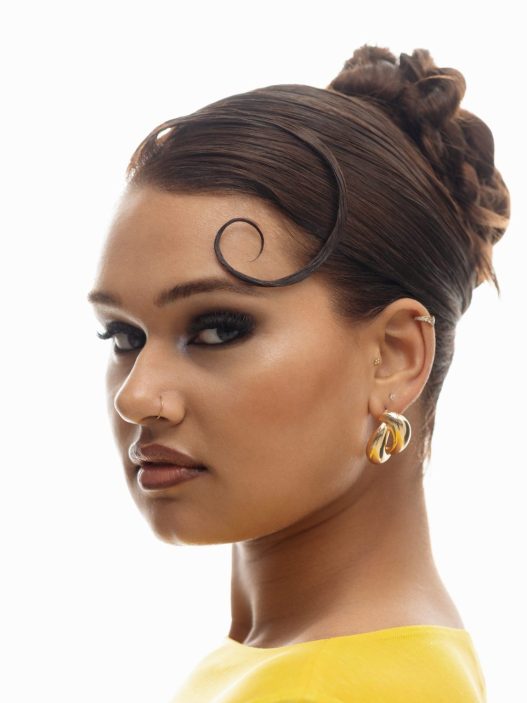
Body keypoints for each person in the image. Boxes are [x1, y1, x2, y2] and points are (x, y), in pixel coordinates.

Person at [86, 44, 509, 702]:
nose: (137, 396)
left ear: (395, 357)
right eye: (124, 336)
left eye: (219, 328)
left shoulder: (353, 686)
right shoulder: (308, 665)